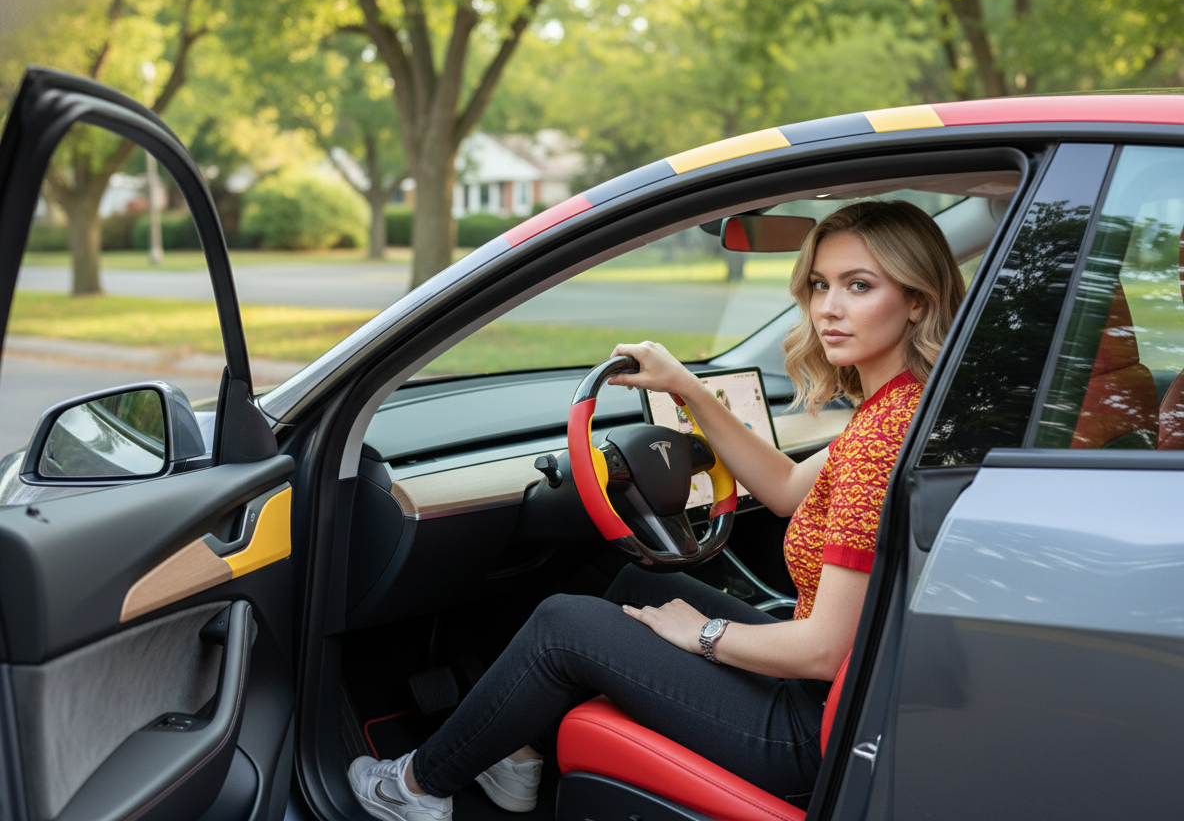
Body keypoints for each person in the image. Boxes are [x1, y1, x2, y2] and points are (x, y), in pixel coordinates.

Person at [348, 199, 966, 821]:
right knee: (638, 581)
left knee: (565, 623)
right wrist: (688, 388)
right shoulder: (906, 407)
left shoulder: (881, 444)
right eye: (819, 285)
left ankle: (415, 790)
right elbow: (783, 487)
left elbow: (822, 652)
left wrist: (702, 637)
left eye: (859, 286)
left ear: (917, 300)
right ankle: (516, 753)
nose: (828, 307)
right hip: (854, 695)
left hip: (809, 732)